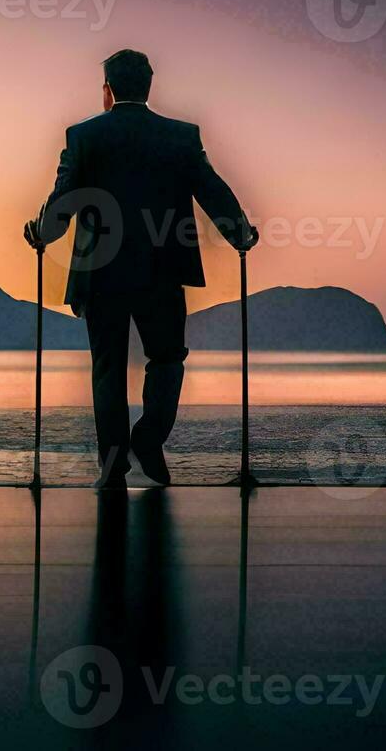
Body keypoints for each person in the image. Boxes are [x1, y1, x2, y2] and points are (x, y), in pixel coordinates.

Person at [25, 49, 257, 488]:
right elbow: (213, 191)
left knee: (108, 367)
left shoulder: (84, 136)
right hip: (162, 270)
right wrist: (240, 234)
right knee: (168, 359)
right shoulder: (180, 136)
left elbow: (64, 200)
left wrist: (42, 234)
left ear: (107, 91)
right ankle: (149, 441)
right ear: (148, 86)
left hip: (101, 273)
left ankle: (112, 467)